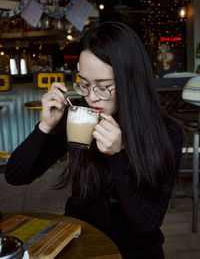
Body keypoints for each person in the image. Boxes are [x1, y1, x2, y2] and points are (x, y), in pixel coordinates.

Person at [5, 21, 183, 259]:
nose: (91, 98)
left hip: (135, 253)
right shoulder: (79, 116)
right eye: (84, 85)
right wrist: (45, 127)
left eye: (103, 87)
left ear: (130, 82)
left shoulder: (166, 132)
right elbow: (16, 176)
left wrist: (118, 156)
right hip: (82, 244)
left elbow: (147, 222)